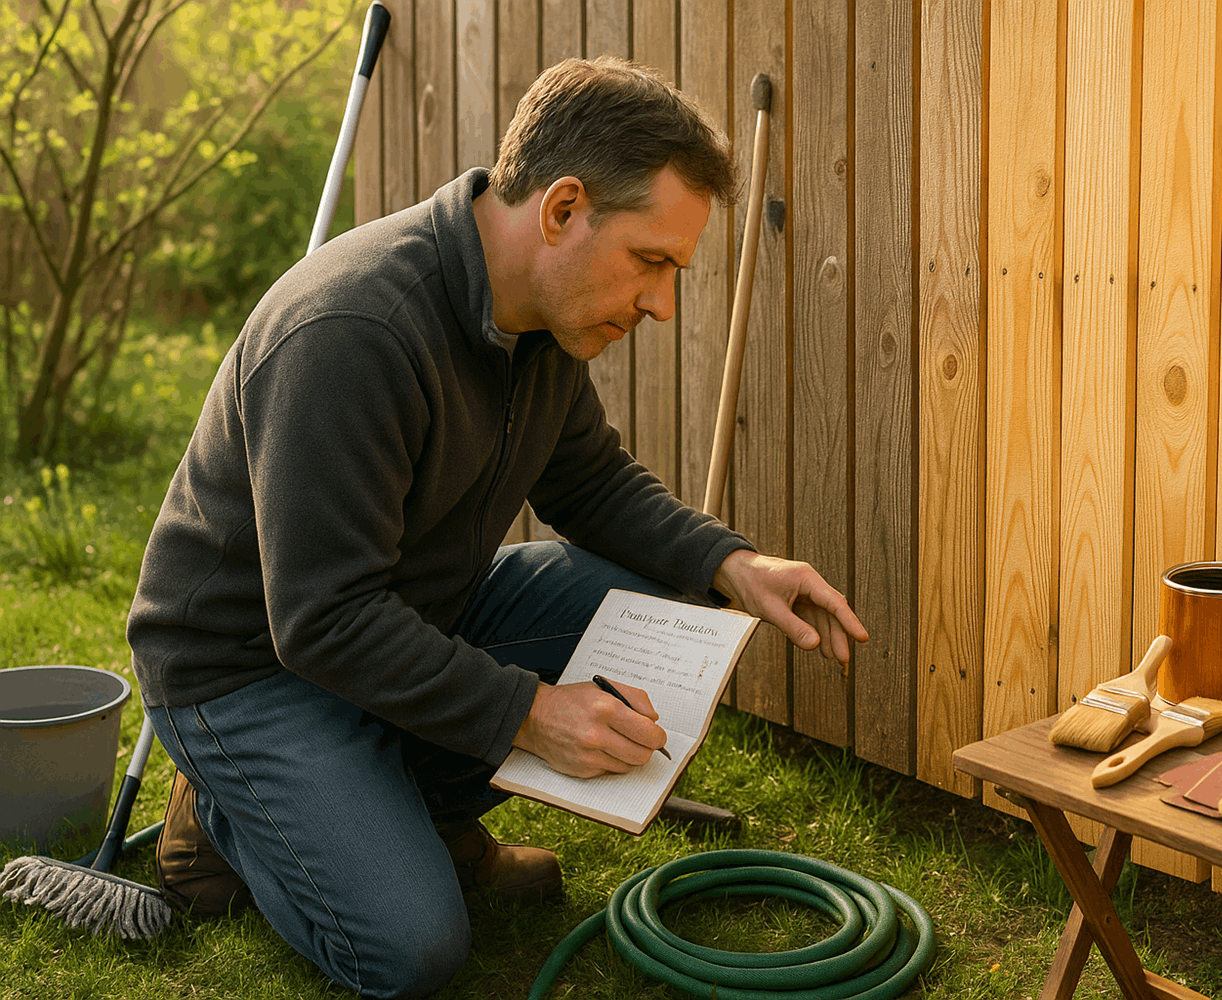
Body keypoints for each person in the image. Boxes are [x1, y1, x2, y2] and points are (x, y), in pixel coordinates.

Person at [126, 56, 867, 998]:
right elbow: (319, 619)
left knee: (660, 586)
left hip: (401, 621)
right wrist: (531, 714)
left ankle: (413, 806)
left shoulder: (541, 321)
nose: (661, 303)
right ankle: (225, 814)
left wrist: (735, 563)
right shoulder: (352, 331)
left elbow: (592, 485)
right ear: (562, 209)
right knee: (414, 951)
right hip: (247, 671)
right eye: (652, 261)